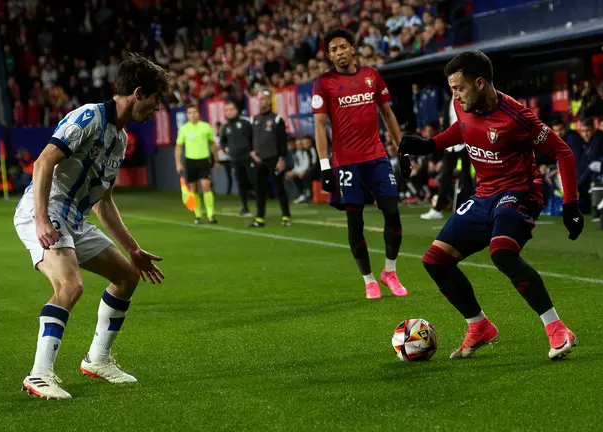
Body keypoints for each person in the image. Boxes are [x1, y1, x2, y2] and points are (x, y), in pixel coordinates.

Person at [399, 51, 584, 360]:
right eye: (452, 89)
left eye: (459, 88)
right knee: (435, 261)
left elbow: (563, 152)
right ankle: (479, 325)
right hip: (484, 194)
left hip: (520, 192)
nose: (455, 95)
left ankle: (557, 328)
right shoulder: (462, 105)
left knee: (502, 252)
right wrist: (429, 145)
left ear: (480, 83)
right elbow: (463, 129)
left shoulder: (517, 117)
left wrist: (571, 204)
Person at [14, 52, 169, 400]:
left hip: (74, 219)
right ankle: (39, 374)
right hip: (45, 209)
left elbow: (104, 202)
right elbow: (43, 163)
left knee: (127, 276)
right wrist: (41, 218)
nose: (157, 108)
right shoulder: (88, 117)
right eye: (156, 99)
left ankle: (97, 360)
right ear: (138, 93)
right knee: (69, 286)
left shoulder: (120, 139)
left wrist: (133, 249)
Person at [312, 29, 408, 299]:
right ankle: (369, 280)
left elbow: (387, 114)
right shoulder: (323, 83)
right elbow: (319, 126)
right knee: (355, 223)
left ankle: (390, 272)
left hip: (377, 158)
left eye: (343, 47)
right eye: (333, 50)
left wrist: (403, 152)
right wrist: (324, 166)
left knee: (392, 214)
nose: (340, 53)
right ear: (329, 56)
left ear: (353, 49)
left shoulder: (372, 76)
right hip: (346, 164)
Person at [249, 90, 291, 227]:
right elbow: (250, 138)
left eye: (264, 98)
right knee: (259, 189)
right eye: (259, 99)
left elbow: (282, 141)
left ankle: (286, 216)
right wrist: (252, 152)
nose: (262, 101)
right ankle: (259, 218)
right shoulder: (253, 119)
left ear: (269, 101)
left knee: (279, 188)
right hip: (259, 159)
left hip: (274, 158)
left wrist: (282, 158)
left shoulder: (277, 119)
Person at [175, 105, 219, 224]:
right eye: (190, 112)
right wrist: (178, 163)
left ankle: (210, 215)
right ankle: (198, 215)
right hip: (190, 161)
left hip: (204, 160)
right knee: (193, 189)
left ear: (198, 113)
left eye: (195, 112)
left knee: (206, 186)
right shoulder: (184, 129)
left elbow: (212, 144)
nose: (193, 114)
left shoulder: (206, 126)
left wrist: (216, 160)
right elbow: (178, 146)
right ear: (187, 115)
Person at [219, 100, 253, 216]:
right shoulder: (224, 126)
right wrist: (225, 149)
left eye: (231, 109)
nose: (229, 112)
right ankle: (244, 207)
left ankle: (260, 205)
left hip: (249, 158)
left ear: (237, 110)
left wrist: (252, 151)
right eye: (226, 110)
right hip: (235, 159)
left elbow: (253, 137)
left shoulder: (246, 122)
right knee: (240, 182)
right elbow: (222, 141)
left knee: (254, 181)